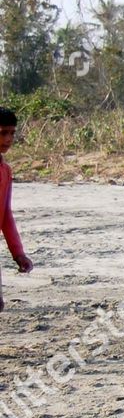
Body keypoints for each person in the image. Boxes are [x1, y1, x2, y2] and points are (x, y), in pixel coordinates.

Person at [0, 107, 33, 313]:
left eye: (12, 133)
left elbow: (5, 216)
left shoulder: (5, 171)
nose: (9, 138)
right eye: (3, 133)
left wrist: (18, 253)